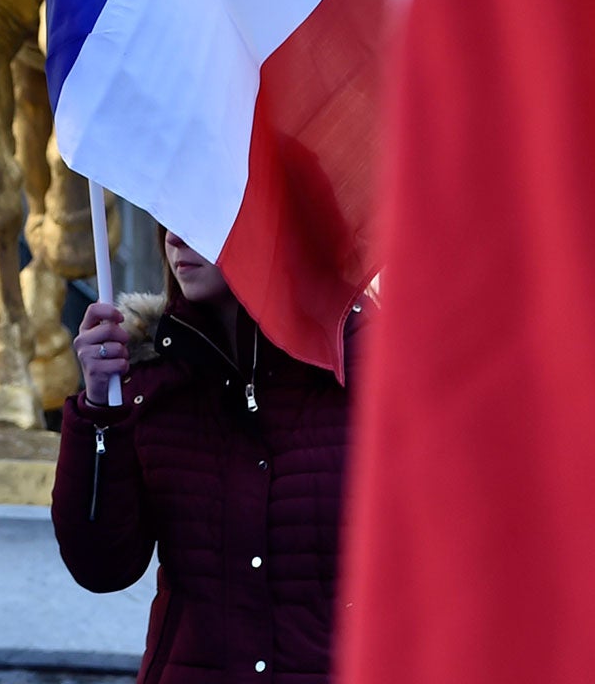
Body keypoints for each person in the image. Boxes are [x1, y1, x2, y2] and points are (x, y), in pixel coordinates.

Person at [51, 232, 370, 684]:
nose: (174, 237)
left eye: (199, 211)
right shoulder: (148, 379)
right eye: (166, 218)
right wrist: (99, 409)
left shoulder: (360, 363)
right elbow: (101, 566)